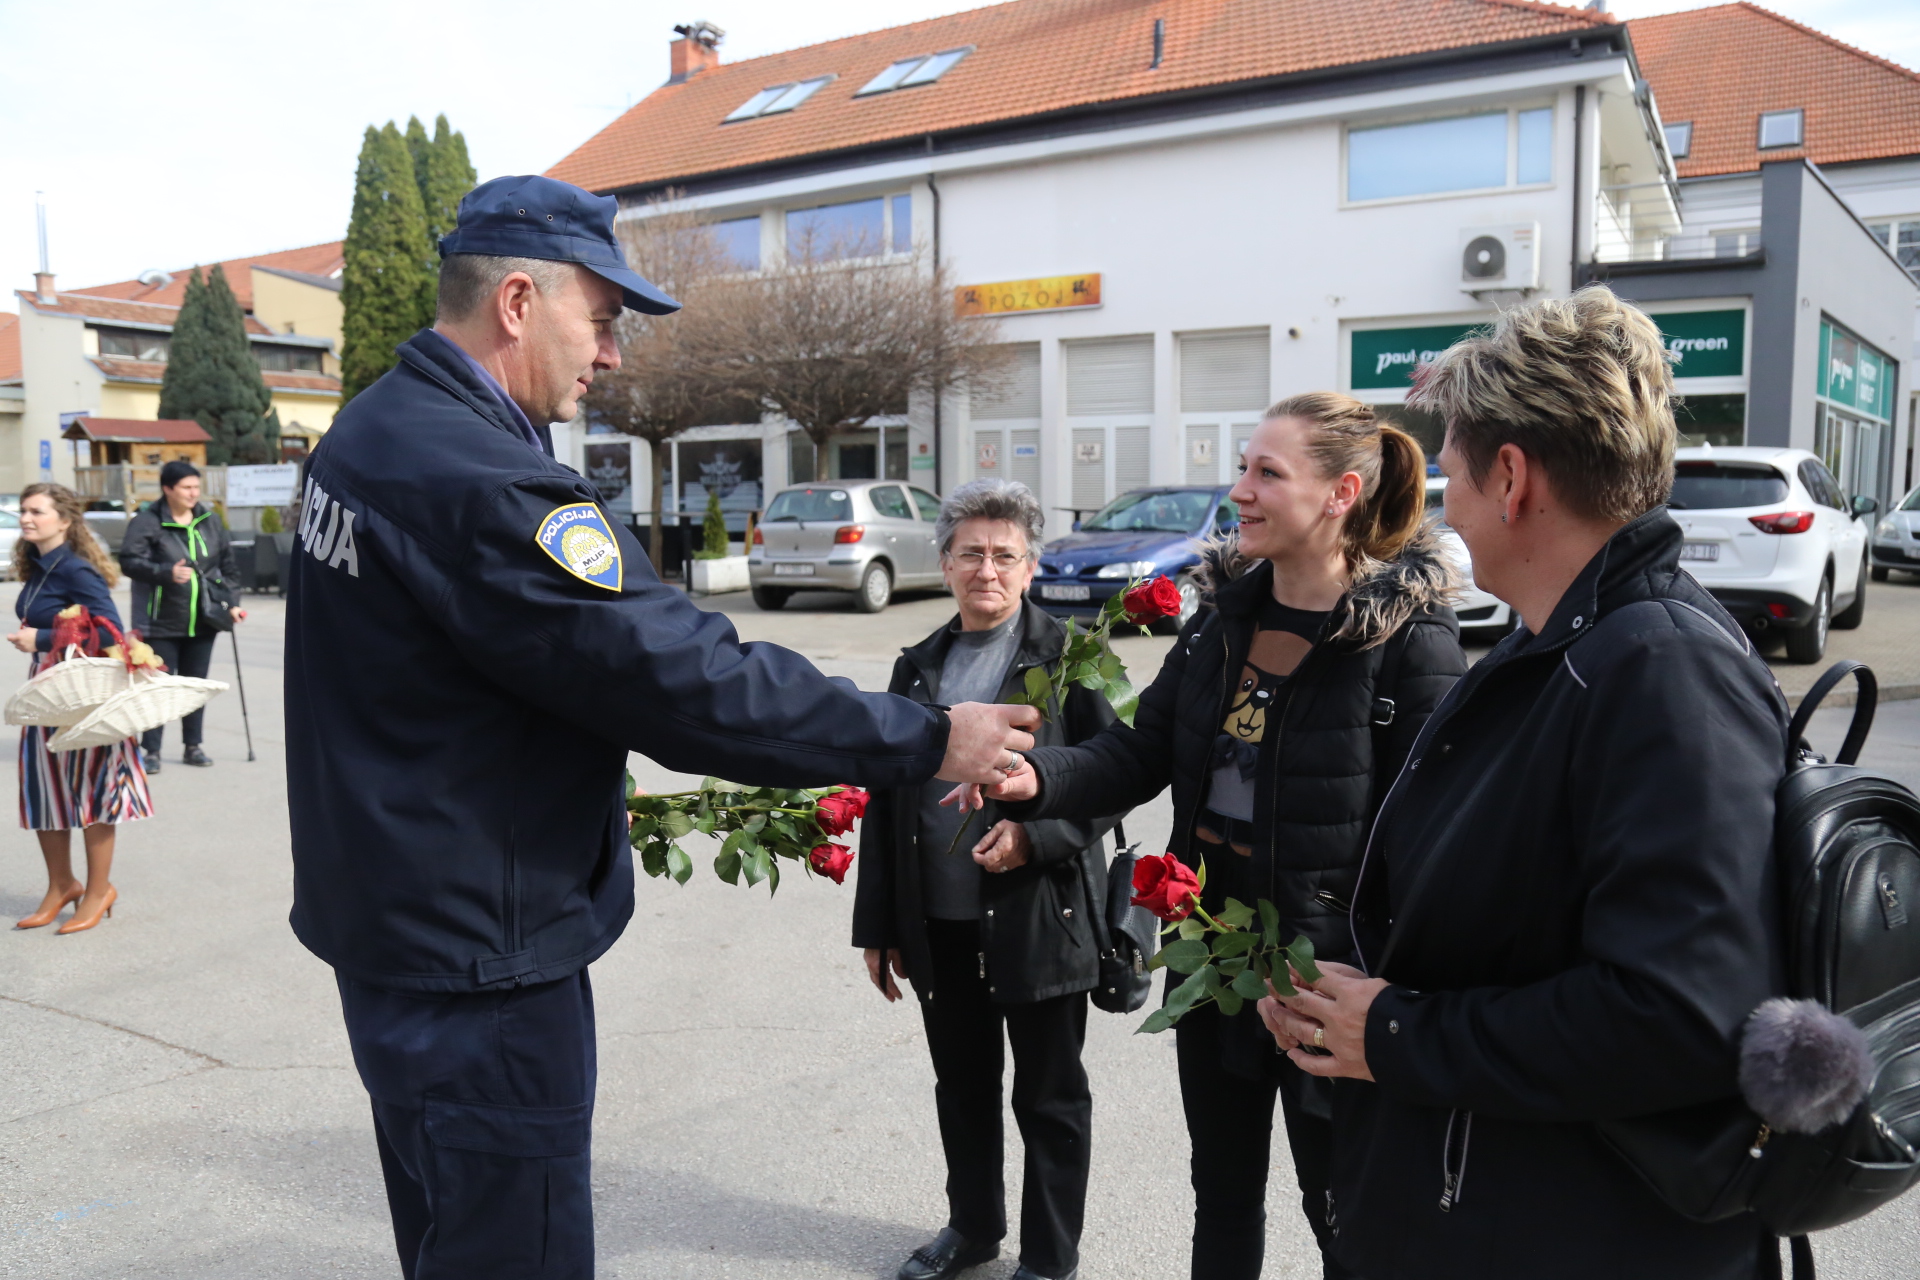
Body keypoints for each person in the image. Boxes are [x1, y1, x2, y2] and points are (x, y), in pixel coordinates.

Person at [282, 174, 1038, 1280]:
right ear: (520, 302)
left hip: (399, 927)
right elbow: (688, 678)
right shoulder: (490, 483)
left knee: (449, 1233)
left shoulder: (373, 427)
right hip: (478, 960)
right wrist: (926, 737)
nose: (615, 354)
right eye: (604, 316)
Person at [1256, 288, 1791, 1279]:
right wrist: (1346, 994)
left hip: (1584, 1236)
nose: (1442, 497)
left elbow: (1680, 1015)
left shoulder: (1661, 670)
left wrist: (1396, 1030)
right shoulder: (1569, 647)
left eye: (1451, 466)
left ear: (1512, 476)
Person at [979, 394, 1468, 1279]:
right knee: (1224, 1196)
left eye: (1265, 473)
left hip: (1331, 983)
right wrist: (1036, 779)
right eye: (1242, 466)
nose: (1237, 490)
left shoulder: (1405, 640)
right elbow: (1137, 753)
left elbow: (1437, 834)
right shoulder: (1220, 623)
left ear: (1341, 493)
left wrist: (1393, 988)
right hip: (1212, 959)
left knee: (1345, 1216)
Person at [852, 480, 1122, 1280]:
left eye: (1005, 554)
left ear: (1031, 566)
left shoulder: (1069, 660)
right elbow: (884, 800)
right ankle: (972, 1231)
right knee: (961, 1087)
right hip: (939, 920)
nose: (988, 569)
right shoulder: (918, 666)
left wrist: (1035, 839)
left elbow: (1114, 780)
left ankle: (1048, 1258)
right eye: (971, 553)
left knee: (1049, 1098)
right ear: (944, 563)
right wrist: (879, 924)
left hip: (1041, 917)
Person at [8, 483, 154, 934]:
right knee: (44, 791)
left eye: (37, 511)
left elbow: (111, 632)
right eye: (24, 511)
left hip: (82, 695)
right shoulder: (37, 566)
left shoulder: (77, 569)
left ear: (65, 521)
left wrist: (44, 639)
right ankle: (61, 886)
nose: (27, 518)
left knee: (93, 794)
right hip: (47, 692)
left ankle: (97, 891)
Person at [118, 459, 246, 771]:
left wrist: (232, 602)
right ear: (167, 489)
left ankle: (193, 746)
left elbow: (228, 568)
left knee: (195, 687)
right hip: (161, 621)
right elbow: (128, 562)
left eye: (196, 487)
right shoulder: (147, 522)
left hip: (205, 619)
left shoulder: (210, 521)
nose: (193, 493)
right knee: (158, 687)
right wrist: (164, 572)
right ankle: (151, 751)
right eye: (186, 487)